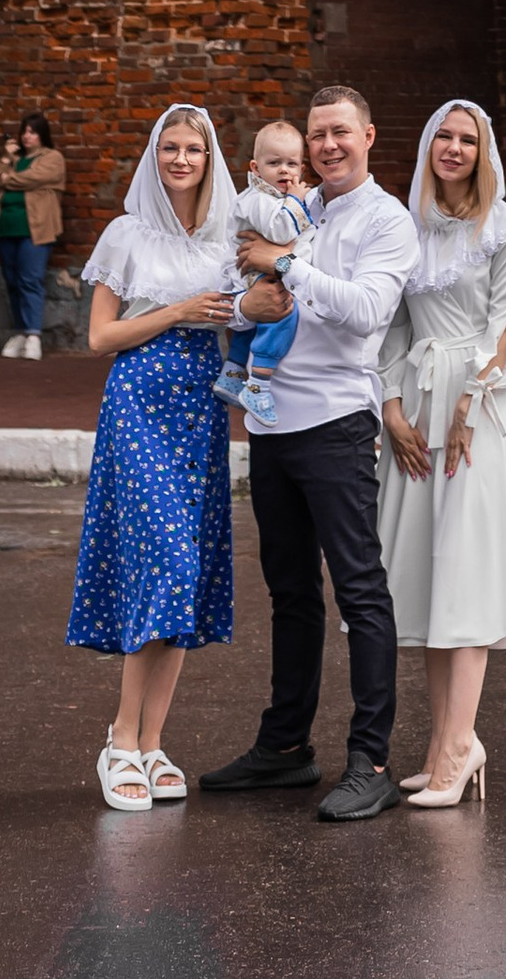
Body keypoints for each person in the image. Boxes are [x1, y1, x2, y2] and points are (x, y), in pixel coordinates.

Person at [198, 82, 420, 825]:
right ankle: (286, 747)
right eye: (317, 134)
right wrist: (250, 289)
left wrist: (286, 265)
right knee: (291, 592)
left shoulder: (387, 220)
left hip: (336, 424)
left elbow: (366, 312)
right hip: (270, 425)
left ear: (368, 137)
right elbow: (243, 285)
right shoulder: (293, 206)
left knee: (360, 590)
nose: (326, 146)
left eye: (339, 133)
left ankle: (372, 760)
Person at [378, 99, 506, 810]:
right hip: (417, 406)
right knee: (426, 581)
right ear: (427, 146)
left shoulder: (501, 229)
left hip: (479, 407)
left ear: (484, 154)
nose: (454, 149)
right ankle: (441, 744)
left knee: (467, 575)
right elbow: (391, 327)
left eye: (467, 140)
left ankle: (461, 744)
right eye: (444, 137)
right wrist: (391, 407)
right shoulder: (407, 230)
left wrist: (469, 400)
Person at [66, 104, 243, 811]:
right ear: (154, 155)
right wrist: (176, 312)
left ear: (209, 159)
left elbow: (260, 304)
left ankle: (152, 743)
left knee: (185, 575)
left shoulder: (232, 235)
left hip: (200, 409)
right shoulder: (126, 234)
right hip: (138, 400)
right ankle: (119, 740)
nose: (179, 159)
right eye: (168, 147)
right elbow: (99, 337)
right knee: (168, 559)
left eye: (192, 149)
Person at [214, 117, 315, 431]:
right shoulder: (258, 199)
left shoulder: (273, 198)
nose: (284, 170)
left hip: (256, 271)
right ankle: (258, 384)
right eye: (274, 163)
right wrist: (298, 202)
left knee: (250, 327)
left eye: (292, 163)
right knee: (281, 313)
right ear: (255, 169)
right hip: (254, 275)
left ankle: (232, 374)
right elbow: (282, 228)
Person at [0, 112, 67, 359]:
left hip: (36, 229)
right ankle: (20, 331)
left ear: (43, 135)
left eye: (33, 132)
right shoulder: (14, 159)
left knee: (31, 279)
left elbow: (36, 178)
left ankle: (33, 335)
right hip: (7, 228)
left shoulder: (52, 158)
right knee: (12, 281)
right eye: (25, 132)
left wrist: (7, 179)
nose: (27, 136)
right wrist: (7, 158)